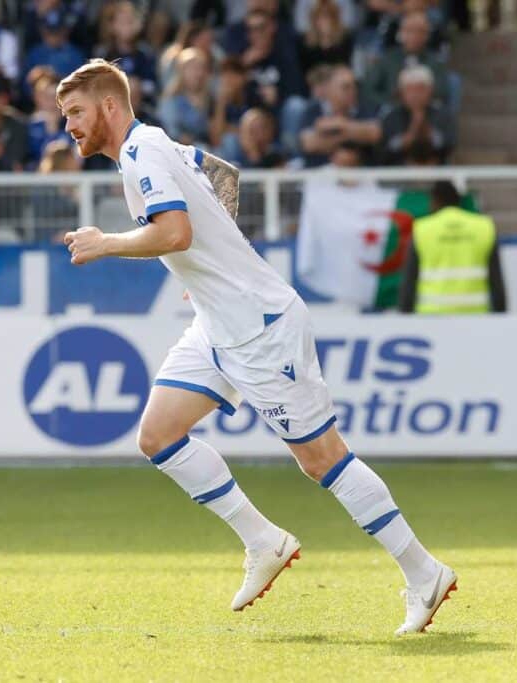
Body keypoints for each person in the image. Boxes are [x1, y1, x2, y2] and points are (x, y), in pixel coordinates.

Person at [57, 59, 456, 634]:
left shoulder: (143, 154)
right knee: (158, 435)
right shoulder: (153, 144)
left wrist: (107, 243)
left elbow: (175, 232)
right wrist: (214, 273)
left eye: (75, 113)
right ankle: (263, 540)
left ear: (109, 108)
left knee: (322, 459)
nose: (67, 126)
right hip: (220, 323)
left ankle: (424, 573)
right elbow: (223, 175)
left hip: (260, 328)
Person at [399, 180, 506, 314]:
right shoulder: (484, 227)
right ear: (458, 202)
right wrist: (501, 315)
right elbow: (496, 280)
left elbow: (409, 281)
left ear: (435, 201)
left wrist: (404, 316)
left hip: (431, 315)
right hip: (475, 314)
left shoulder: (422, 229)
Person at [297, 64, 380, 167]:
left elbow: (374, 134)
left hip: (358, 174)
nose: (353, 91)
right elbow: (309, 143)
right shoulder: (313, 110)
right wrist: (353, 133)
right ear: (330, 89)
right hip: (320, 173)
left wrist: (341, 124)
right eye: (346, 87)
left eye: (354, 86)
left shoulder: (363, 107)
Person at [379, 64, 454, 165]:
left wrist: (427, 132)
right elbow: (386, 149)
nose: (415, 95)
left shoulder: (442, 114)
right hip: (399, 173)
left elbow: (448, 144)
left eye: (420, 89)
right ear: (401, 92)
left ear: (430, 90)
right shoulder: (392, 116)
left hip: (436, 171)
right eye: (410, 89)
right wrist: (410, 135)